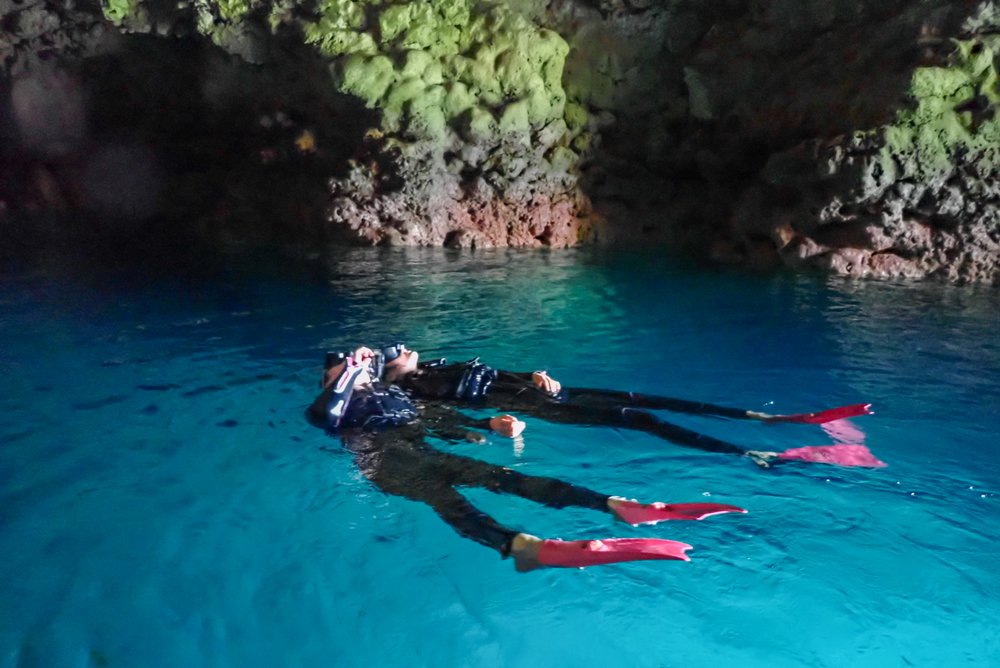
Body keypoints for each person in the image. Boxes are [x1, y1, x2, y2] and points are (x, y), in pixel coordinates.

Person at [307, 348, 746, 571]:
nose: (351, 366)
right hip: (384, 461)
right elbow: (325, 417)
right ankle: (521, 546)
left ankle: (614, 505)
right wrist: (345, 373)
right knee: (450, 502)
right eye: (339, 367)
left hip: (417, 448)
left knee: (504, 478)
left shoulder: (390, 393)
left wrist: (483, 429)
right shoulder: (331, 404)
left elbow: (435, 418)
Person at [373, 343, 882, 468]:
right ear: (387, 373)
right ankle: (752, 456)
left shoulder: (436, 366)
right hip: (545, 410)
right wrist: (489, 426)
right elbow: (442, 421)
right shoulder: (411, 393)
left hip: (549, 392)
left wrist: (533, 375)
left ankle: (768, 419)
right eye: (392, 354)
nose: (402, 349)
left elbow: (491, 372)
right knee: (639, 420)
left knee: (646, 398)